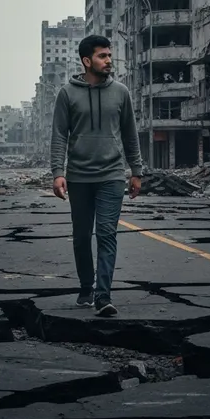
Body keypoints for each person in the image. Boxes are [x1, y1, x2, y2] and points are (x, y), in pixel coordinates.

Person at [50, 34, 143, 317]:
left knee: (106, 235)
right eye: (103, 56)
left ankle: (103, 296)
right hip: (78, 176)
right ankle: (86, 286)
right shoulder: (67, 93)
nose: (109, 61)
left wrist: (136, 171)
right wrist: (57, 173)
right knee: (81, 237)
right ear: (86, 61)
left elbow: (130, 134)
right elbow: (59, 137)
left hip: (112, 176)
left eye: (109, 56)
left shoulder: (121, 92)